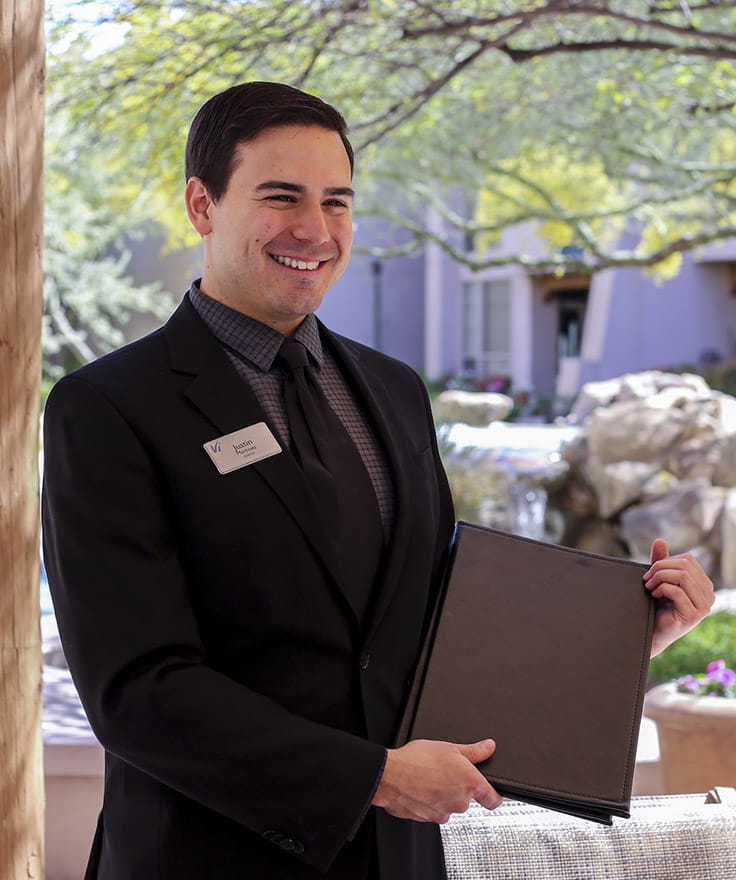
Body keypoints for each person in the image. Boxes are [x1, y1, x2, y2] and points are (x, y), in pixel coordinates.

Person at [42, 81, 715, 880]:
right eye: (281, 196)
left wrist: (621, 644)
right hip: (203, 854)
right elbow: (138, 690)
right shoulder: (110, 408)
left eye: (337, 202)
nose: (315, 230)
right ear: (202, 205)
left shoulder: (393, 390)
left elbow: (436, 622)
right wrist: (375, 777)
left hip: (396, 857)